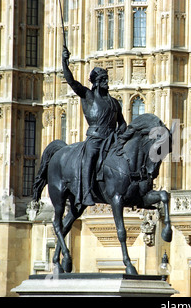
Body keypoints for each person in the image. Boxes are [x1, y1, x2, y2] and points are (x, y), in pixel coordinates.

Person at [62, 46, 127, 206]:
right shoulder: (88, 96)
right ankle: (85, 193)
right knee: (90, 157)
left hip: (112, 140)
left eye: (106, 79)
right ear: (97, 82)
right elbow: (71, 82)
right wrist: (64, 62)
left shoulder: (113, 102)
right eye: (104, 79)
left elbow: (123, 123)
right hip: (96, 139)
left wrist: (122, 133)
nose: (107, 82)